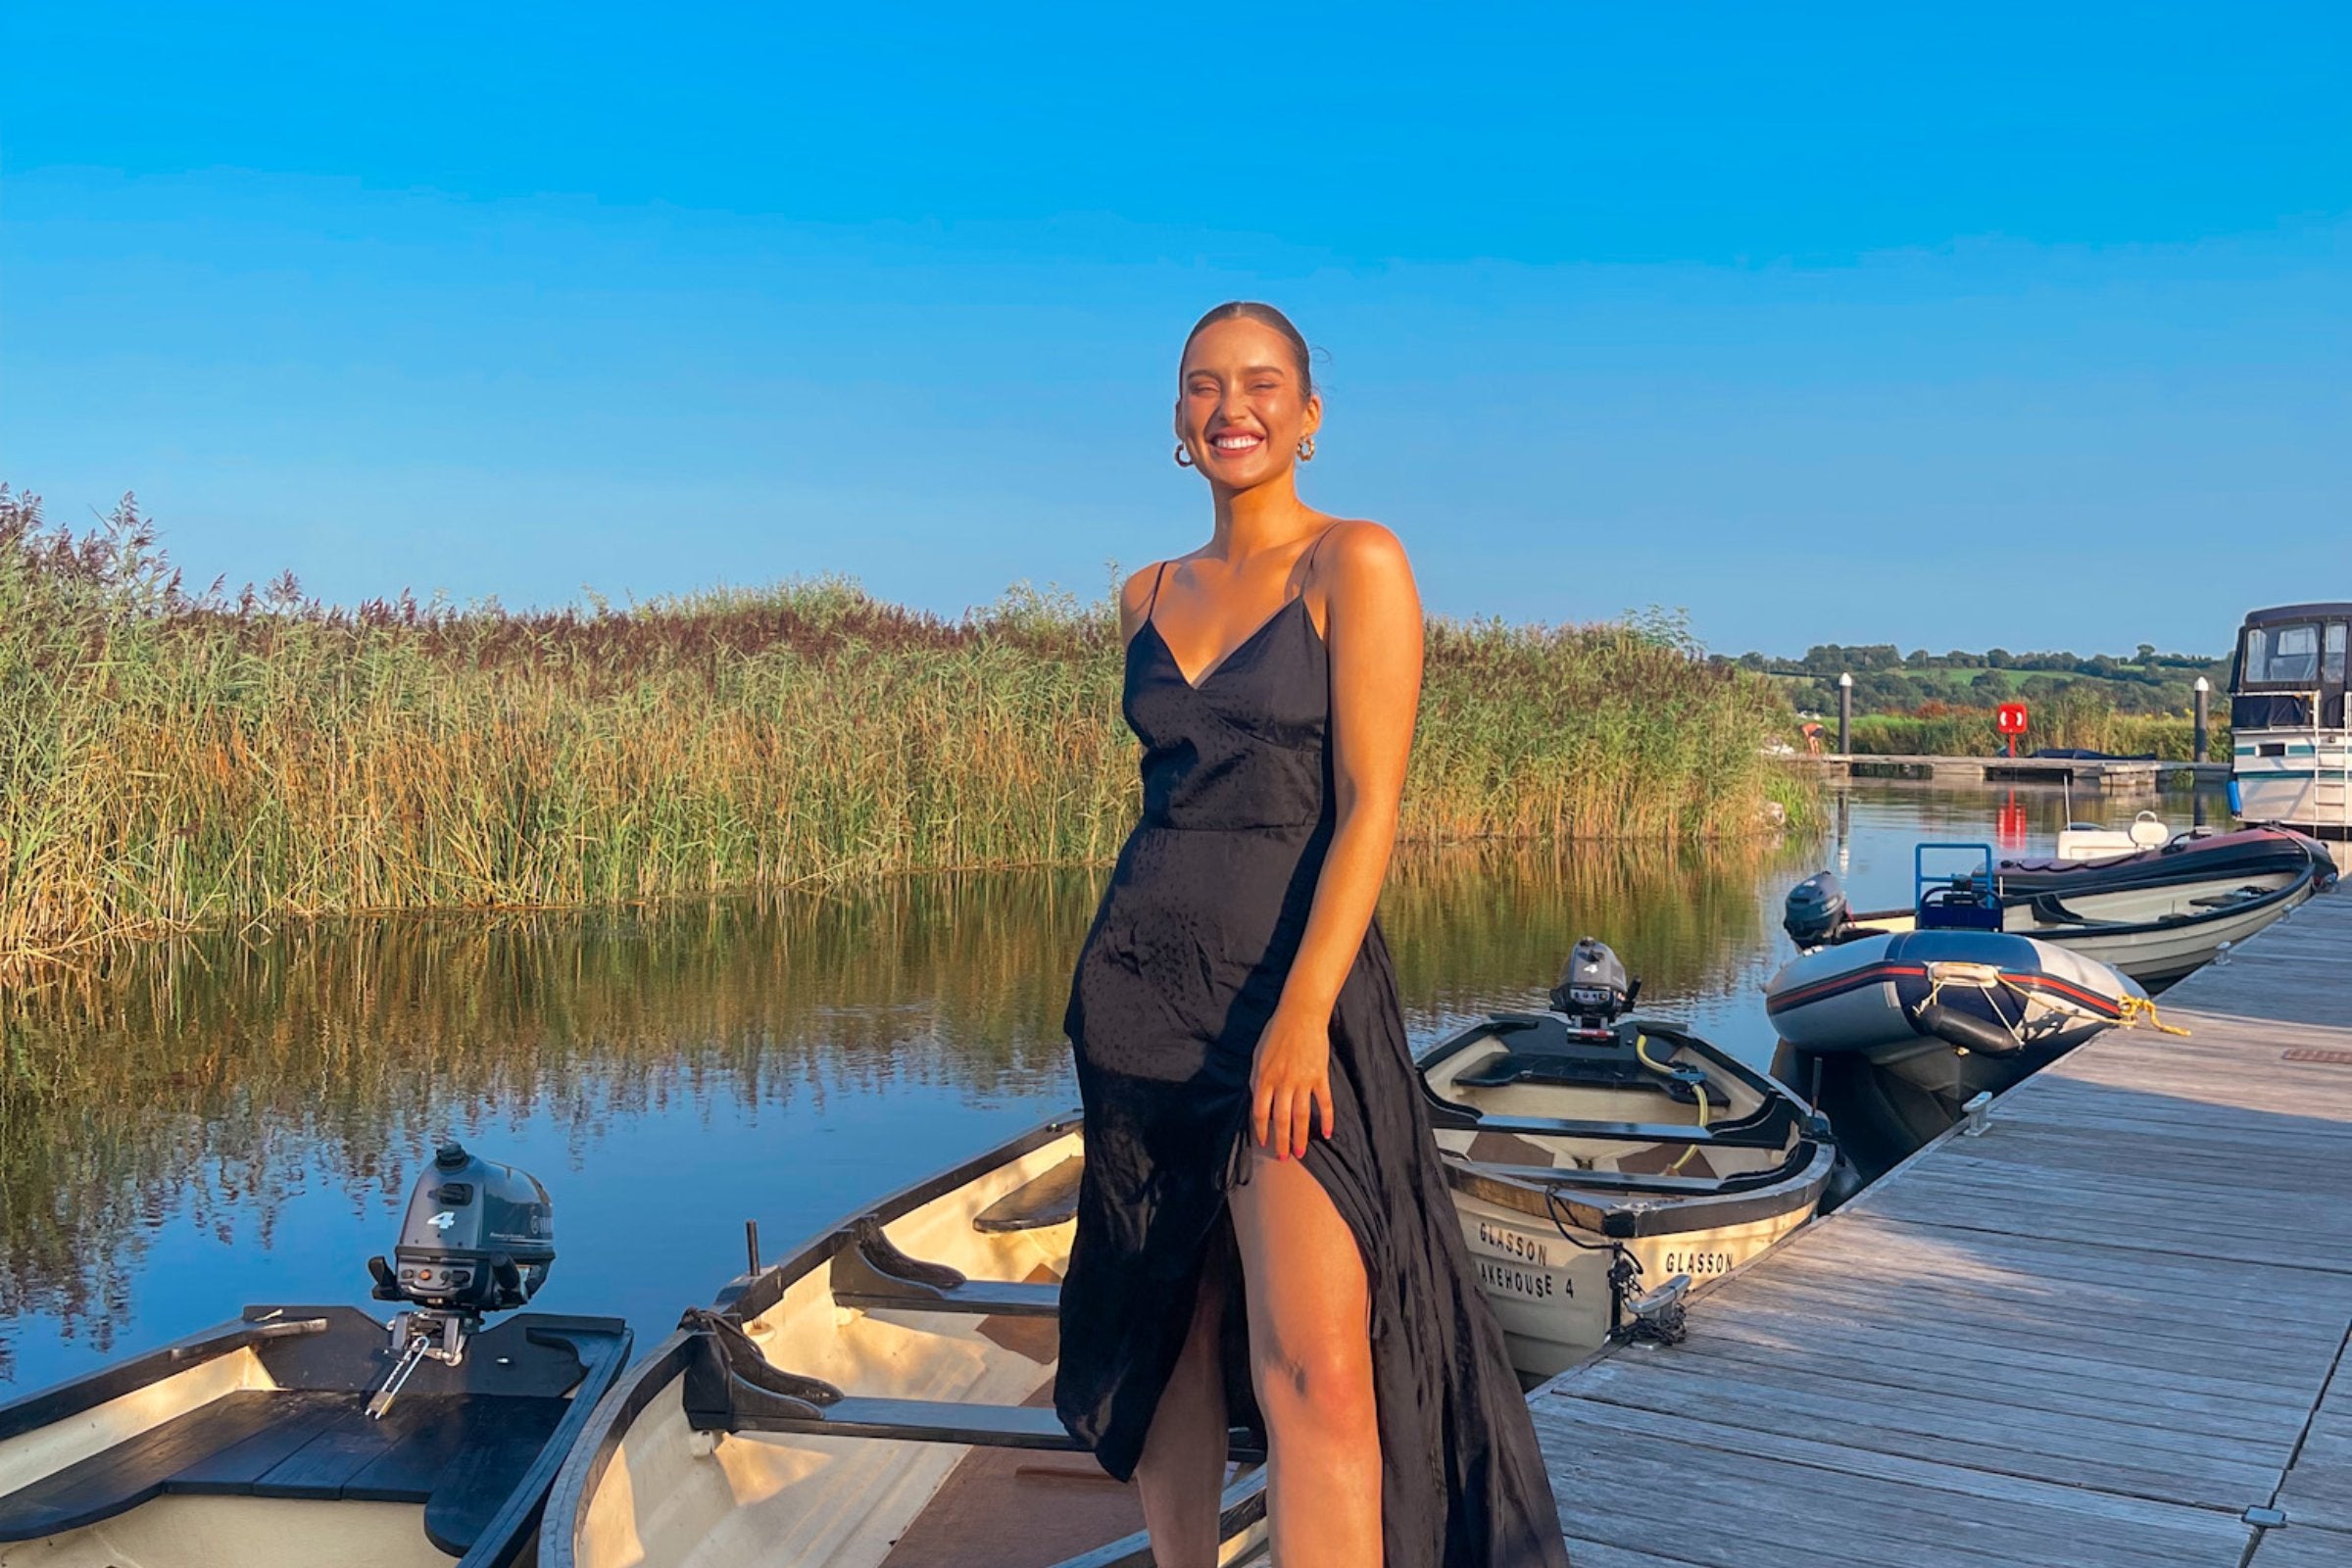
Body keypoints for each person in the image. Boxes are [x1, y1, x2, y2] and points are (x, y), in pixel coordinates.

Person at [1055, 302, 1572, 1568]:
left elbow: (1370, 807)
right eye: (1204, 385)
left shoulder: (1356, 564)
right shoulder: (1143, 595)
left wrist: (1298, 1014)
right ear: (1179, 420)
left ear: (1309, 415)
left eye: (1263, 383)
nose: (1233, 406)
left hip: (1297, 1007)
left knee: (1319, 1372)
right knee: (1164, 1340)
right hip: (1139, 1002)